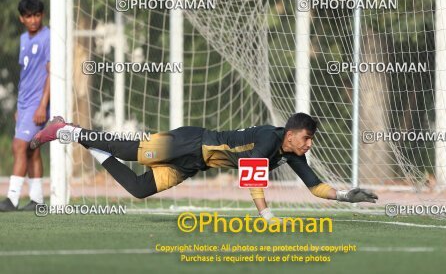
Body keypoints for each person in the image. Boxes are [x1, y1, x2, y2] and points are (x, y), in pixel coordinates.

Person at [30, 112, 378, 221]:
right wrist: (267, 217)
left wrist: (347, 195)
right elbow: (253, 175)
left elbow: (315, 187)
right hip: (189, 142)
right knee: (128, 150)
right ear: (290, 134)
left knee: (138, 189)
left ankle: (77, 136)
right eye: (306, 138)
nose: (309, 144)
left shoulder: (292, 153)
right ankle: (69, 130)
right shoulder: (271, 141)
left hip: (194, 164)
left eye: (310, 140)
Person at [0, 0, 50, 212]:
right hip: (25, 104)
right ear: (21, 18)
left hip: (38, 104)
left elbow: (51, 74)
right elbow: (26, 74)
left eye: (37, 15)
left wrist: (42, 106)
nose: (33, 20)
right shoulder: (23, 39)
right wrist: (20, 106)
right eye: (28, 16)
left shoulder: (48, 37)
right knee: (31, 150)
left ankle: (11, 199)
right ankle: (38, 200)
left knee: (18, 146)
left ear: (43, 15)